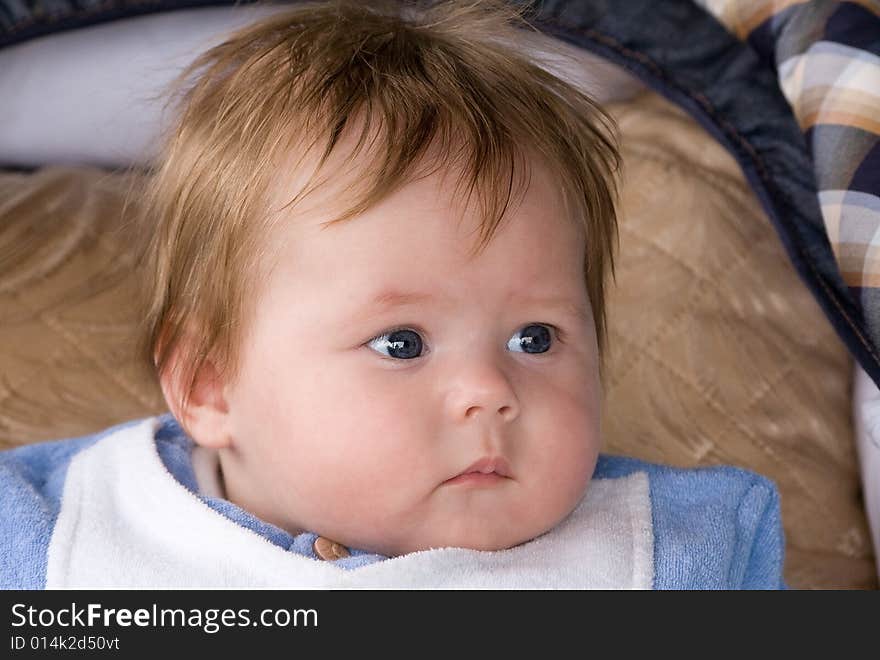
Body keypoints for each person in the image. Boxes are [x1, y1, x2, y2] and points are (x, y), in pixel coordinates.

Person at [0, 0, 785, 588]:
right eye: (401, 343)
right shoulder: (62, 536)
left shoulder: (677, 552)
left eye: (535, 338)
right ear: (210, 383)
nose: (490, 392)